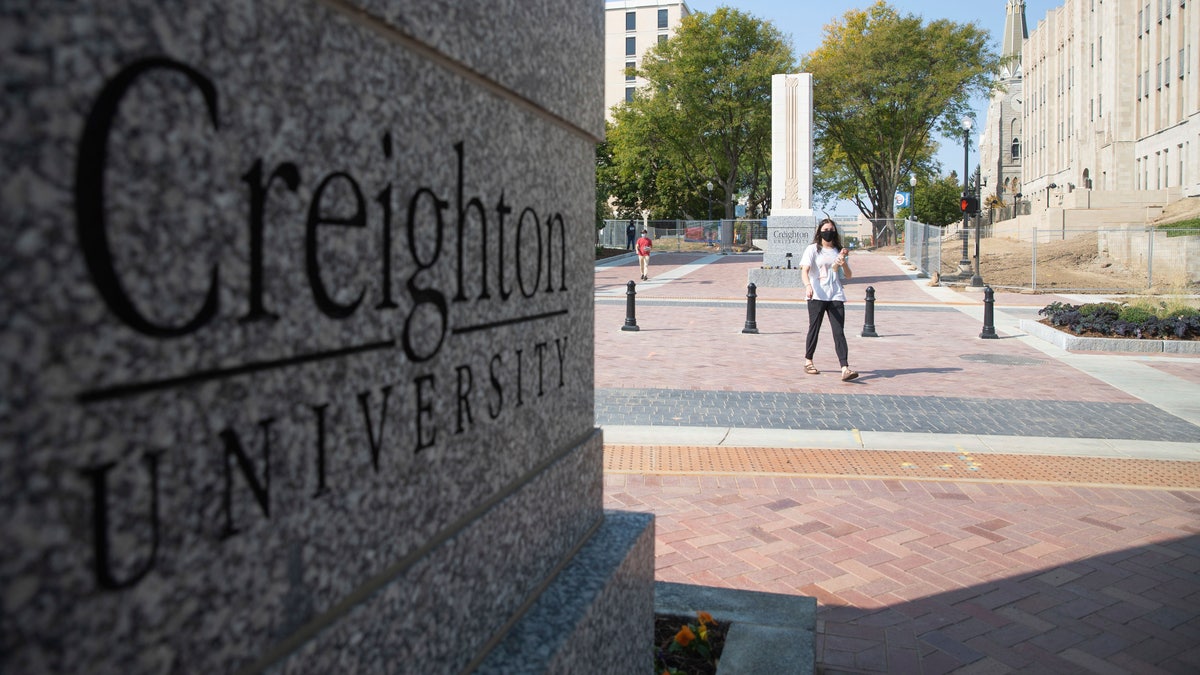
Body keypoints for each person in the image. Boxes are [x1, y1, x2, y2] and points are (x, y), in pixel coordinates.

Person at [800, 218, 858, 381]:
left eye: (831, 229)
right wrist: (808, 286)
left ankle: (845, 368)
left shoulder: (838, 250)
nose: (829, 232)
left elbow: (848, 275)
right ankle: (808, 361)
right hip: (817, 295)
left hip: (835, 294)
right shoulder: (812, 249)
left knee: (839, 331)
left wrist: (843, 263)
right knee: (814, 328)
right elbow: (804, 270)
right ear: (819, 231)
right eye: (826, 229)